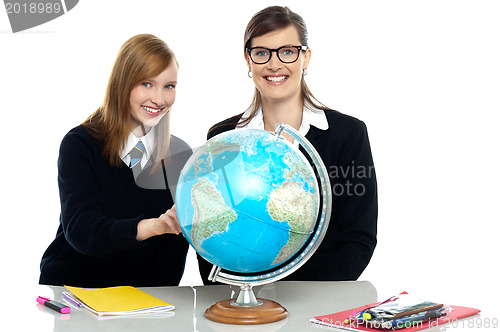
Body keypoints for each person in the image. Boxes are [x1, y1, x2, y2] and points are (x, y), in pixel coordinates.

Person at [198, 6, 377, 282]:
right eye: (261, 53)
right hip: (245, 304)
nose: (274, 64)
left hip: (321, 303)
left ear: (305, 58)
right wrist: (237, 297)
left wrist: (316, 304)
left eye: (288, 51)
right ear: (248, 61)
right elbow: (209, 233)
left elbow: (358, 237)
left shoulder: (347, 134)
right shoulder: (222, 138)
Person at [39, 34, 192, 287]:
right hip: (80, 291)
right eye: (146, 83)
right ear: (123, 83)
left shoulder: (179, 153)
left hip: (152, 301)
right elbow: (82, 230)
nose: (159, 99)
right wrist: (153, 227)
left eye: (169, 86)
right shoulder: (81, 144)